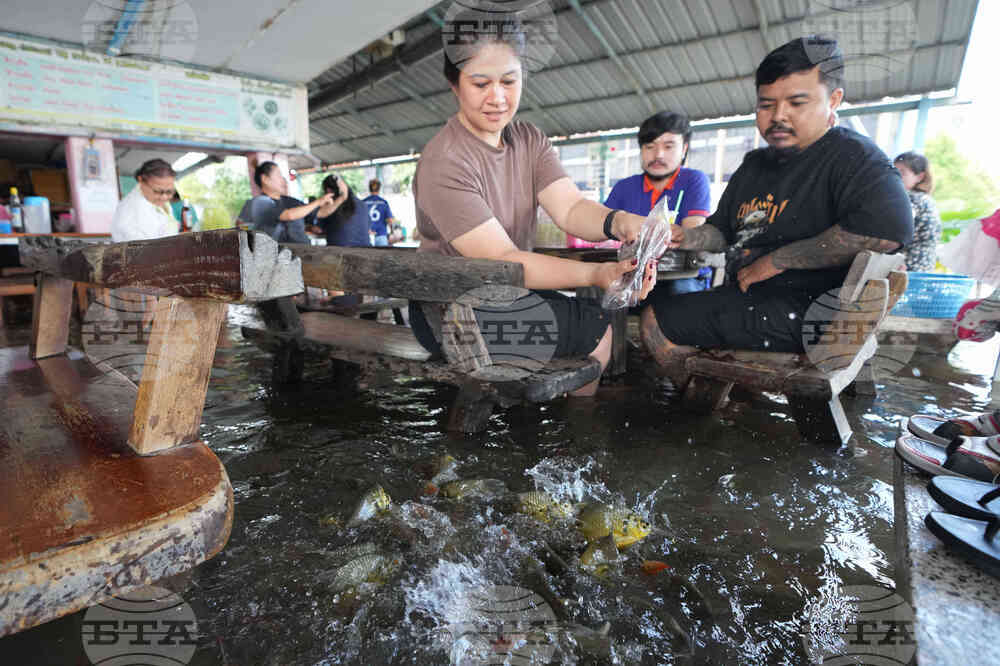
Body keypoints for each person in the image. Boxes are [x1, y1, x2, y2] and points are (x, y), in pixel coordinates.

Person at [640, 36, 913, 383]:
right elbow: (722, 231)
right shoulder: (754, 165)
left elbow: (886, 233)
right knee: (676, 306)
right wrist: (686, 236)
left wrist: (776, 261)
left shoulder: (854, 157)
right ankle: (730, 392)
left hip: (812, 311)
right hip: (752, 300)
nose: (778, 116)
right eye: (766, 105)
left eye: (797, 103)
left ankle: (707, 405)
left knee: (655, 318)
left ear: (833, 100)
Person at [411, 10, 657, 395]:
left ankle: (561, 434)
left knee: (590, 319)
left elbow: (571, 209)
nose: (498, 98)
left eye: (509, 81)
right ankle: (579, 438)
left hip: (502, 295)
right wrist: (595, 274)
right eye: (480, 83)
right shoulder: (446, 159)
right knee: (594, 329)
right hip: (450, 312)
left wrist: (621, 220)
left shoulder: (528, 139)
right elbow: (503, 260)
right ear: (454, 84)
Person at [604, 111, 712, 294]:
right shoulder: (624, 187)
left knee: (667, 306)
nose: (658, 154)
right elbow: (601, 235)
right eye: (649, 146)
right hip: (630, 274)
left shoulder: (694, 181)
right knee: (596, 295)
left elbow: (691, 232)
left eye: (669, 146)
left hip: (681, 276)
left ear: (684, 149)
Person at [239, 161, 331, 243]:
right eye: (279, 175)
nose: (283, 179)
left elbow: (320, 213)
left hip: (301, 251)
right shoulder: (260, 202)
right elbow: (289, 215)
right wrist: (319, 201)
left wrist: (342, 197)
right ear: (265, 179)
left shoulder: (291, 201)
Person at [894, 151, 942, 272]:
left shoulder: (912, 200)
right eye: (893, 171)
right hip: (925, 266)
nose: (895, 176)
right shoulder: (925, 199)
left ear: (919, 177)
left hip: (908, 267)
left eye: (902, 172)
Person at [111, 159, 179, 242]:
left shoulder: (155, 202)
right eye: (157, 191)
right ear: (141, 180)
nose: (164, 197)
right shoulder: (131, 210)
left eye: (169, 191)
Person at [311, 175, 371, 247]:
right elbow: (368, 228)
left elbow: (318, 230)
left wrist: (308, 227)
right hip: (365, 249)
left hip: (339, 252)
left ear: (328, 191)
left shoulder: (331, 206)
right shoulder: (362, 204)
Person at [363, 179, 397, 246]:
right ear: (379, 189)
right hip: (381, 235)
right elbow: (390, 220)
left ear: (369, 189)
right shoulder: (384, 202)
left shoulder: (363, 202)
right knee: (382, 256)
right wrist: (392, 232)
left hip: (366, 236)